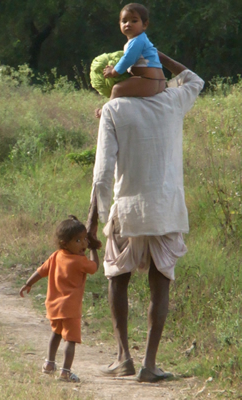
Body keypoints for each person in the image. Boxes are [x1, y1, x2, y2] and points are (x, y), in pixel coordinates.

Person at [87, 52, 204, 382]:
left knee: (118, 279)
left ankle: (123, 356)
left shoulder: (113, 109)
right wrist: (157, 53)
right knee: (159, 286)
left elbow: (101, 174)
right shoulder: (172, 102)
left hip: (128, 210)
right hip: (166, 211)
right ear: (151, 73)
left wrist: (101, 216)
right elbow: (195, 79)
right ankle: (149, 364)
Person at [20, 215, 99, 382]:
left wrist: (28, 283)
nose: (83, 244)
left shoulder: (56, 256)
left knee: (56, 334)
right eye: (78, 241)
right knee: (70, 340)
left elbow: (41, 271)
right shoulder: (80, 261)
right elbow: (95, 267)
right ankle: (65, 371)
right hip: (70, 309)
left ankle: (49, 363)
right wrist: (93, 250)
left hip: (54, 307)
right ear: (65, 243)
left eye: (85, 239)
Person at [95, 3, 165, 118]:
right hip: (159, 82)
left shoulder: (136, 42)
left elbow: (128, 59)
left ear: (145, 24)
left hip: (148, 81)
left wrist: (113, 72)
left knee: (117, 89)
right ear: (119, 24)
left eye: (134, 21)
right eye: (124, 21)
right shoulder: (142, 40)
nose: (128, 24)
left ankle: (105, 112)